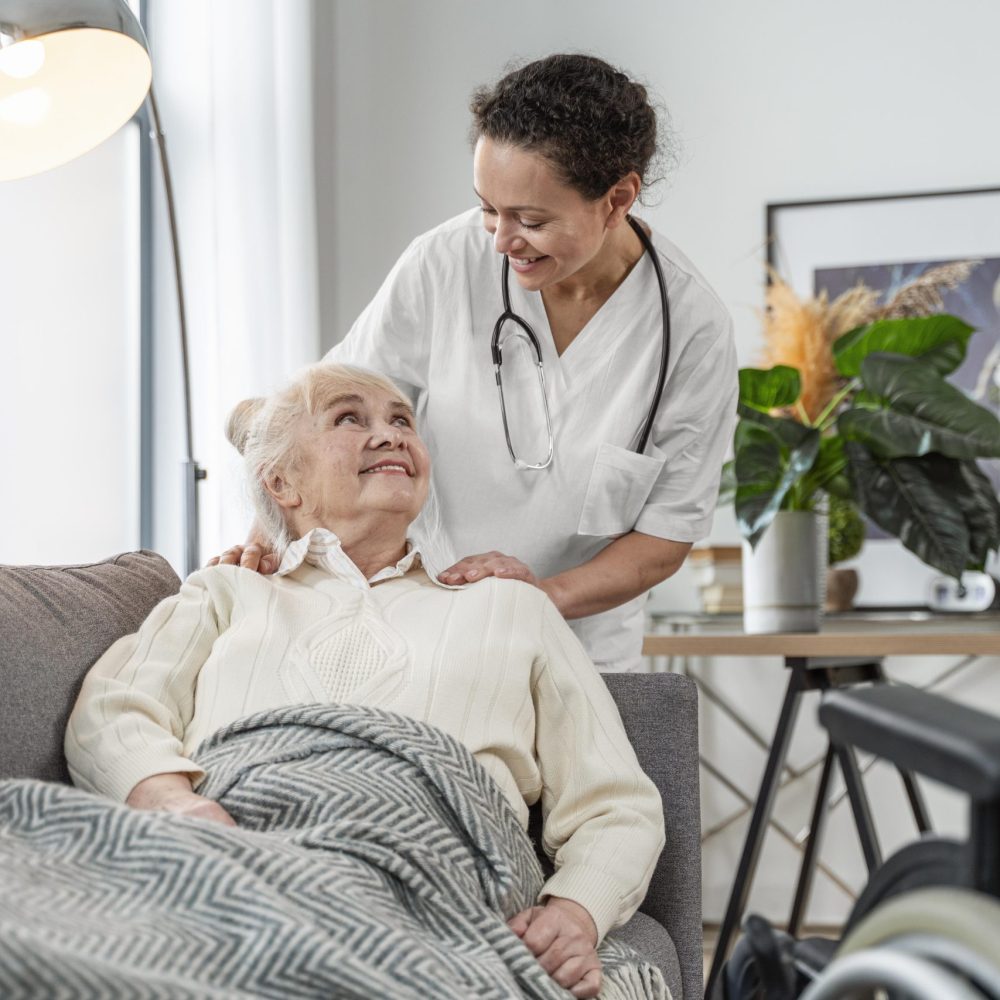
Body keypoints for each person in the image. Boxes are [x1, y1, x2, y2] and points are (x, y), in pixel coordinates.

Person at [65, 363, 665, 1000]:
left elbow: (618, 804)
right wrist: (172, 802)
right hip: (240, 864)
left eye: (401, 420)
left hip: (446, 879)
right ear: (283, 482)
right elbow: (111, 708)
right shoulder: (226, 590)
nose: (391, 435)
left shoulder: (509, 605)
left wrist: (574, 914)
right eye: (350, 418)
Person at [218, 53, 738, 672]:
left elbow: (662, 540)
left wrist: (535, 599)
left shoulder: (691, 330)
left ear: (618, 197)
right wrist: (268, 538)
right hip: (411, 623)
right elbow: (323, 416)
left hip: (576, 650)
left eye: (532, 220)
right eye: (489, 207)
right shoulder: (445, 261)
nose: (498, 239)